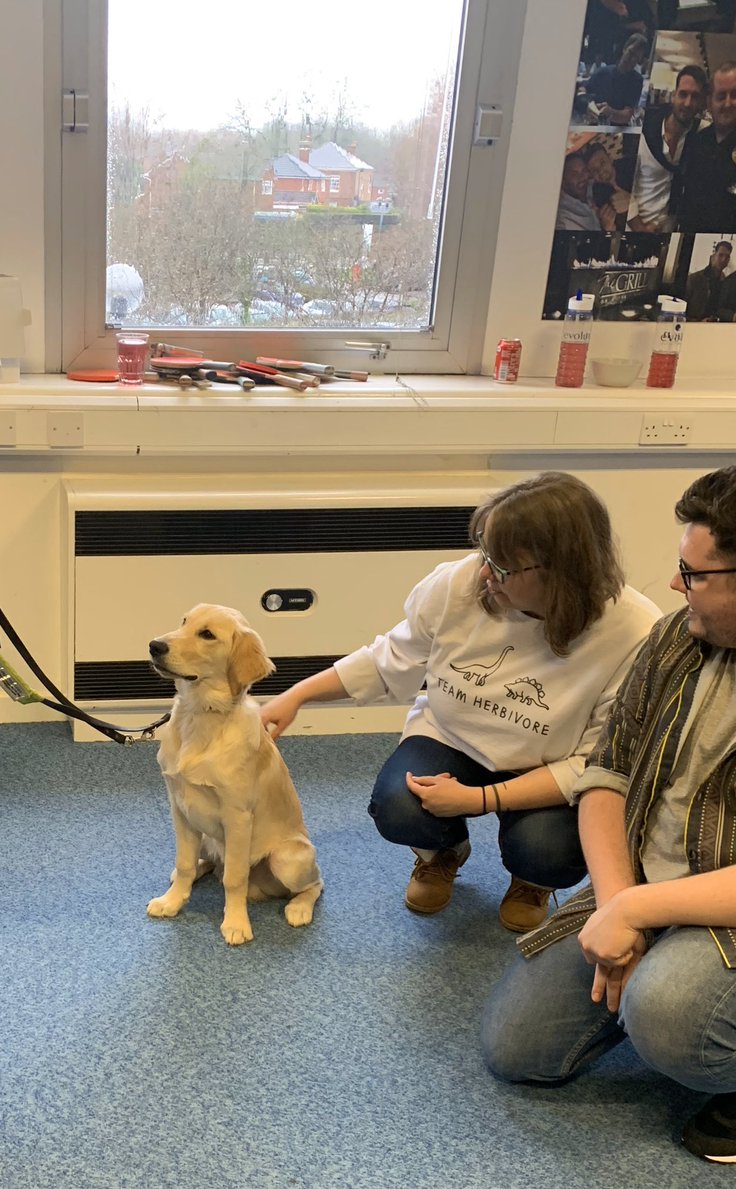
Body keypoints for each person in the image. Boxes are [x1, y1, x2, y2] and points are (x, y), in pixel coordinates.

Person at [260, 473, 660, 933]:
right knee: (397, 807)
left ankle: (531, 881)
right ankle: (443, 854)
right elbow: (389, 660)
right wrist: (296, 696)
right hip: (452, 737)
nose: (485, 573)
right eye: (485, 553)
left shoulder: (633, 631)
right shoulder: (460, 582)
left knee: (550, 850)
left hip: (551, 763)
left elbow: (594, 764)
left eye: (503, 566)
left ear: (562, 572)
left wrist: (480, 799)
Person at [481, 465, 736, 1164]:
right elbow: (607, 771)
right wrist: (620, 902)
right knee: (517, 1049)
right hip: (647, 882)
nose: (676, 584)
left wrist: (635, 911)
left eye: (695, 573)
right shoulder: (677, 637)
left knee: (668, 1015)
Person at [628, 64, 706, 233]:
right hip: (636, 225)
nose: (688, 103)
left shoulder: (699, 132)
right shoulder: (645, 133)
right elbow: (625, 187)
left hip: (669, 227)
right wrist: (640, 228)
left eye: (695, 97)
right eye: (683, 94)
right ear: (674, 95)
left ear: (701, 103)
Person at [674, 61, 736, 232]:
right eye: (721, 96)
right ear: (709, 102)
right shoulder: (696, 141)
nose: (728, 103)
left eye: (734, 95)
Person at [580, 34, 649, 127]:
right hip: (594, 125)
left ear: (639, 60)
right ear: (624, 48)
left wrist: (611, 112)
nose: (631, 58)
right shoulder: (603, 72)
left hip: (617, 129)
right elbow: (583, 89)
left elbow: (627, 115)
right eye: (630, 52)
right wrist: (588, 104)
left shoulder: (636, 80)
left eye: (636, 57)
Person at [581, 139, 631, 231]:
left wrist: (632, 202)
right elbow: (617, 223)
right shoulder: (597, 192)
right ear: (591, 175)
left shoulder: (630, 165)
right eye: (594, 170)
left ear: (610, 158)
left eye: (602, 163)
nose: (600, 171)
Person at [556, 152, 613, 231]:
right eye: (574, 174)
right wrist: (607, 229)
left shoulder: (591, 185)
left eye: (584, 170)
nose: (582, 177)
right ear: (563, 181)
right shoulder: (563, 221)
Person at [684, 240, 732, 320]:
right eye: (720, 255)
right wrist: (698, 322)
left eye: (727, 256)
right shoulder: (694, 279)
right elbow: (681, 311)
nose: (723, 259)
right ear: (713, 256)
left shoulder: (725, 282)